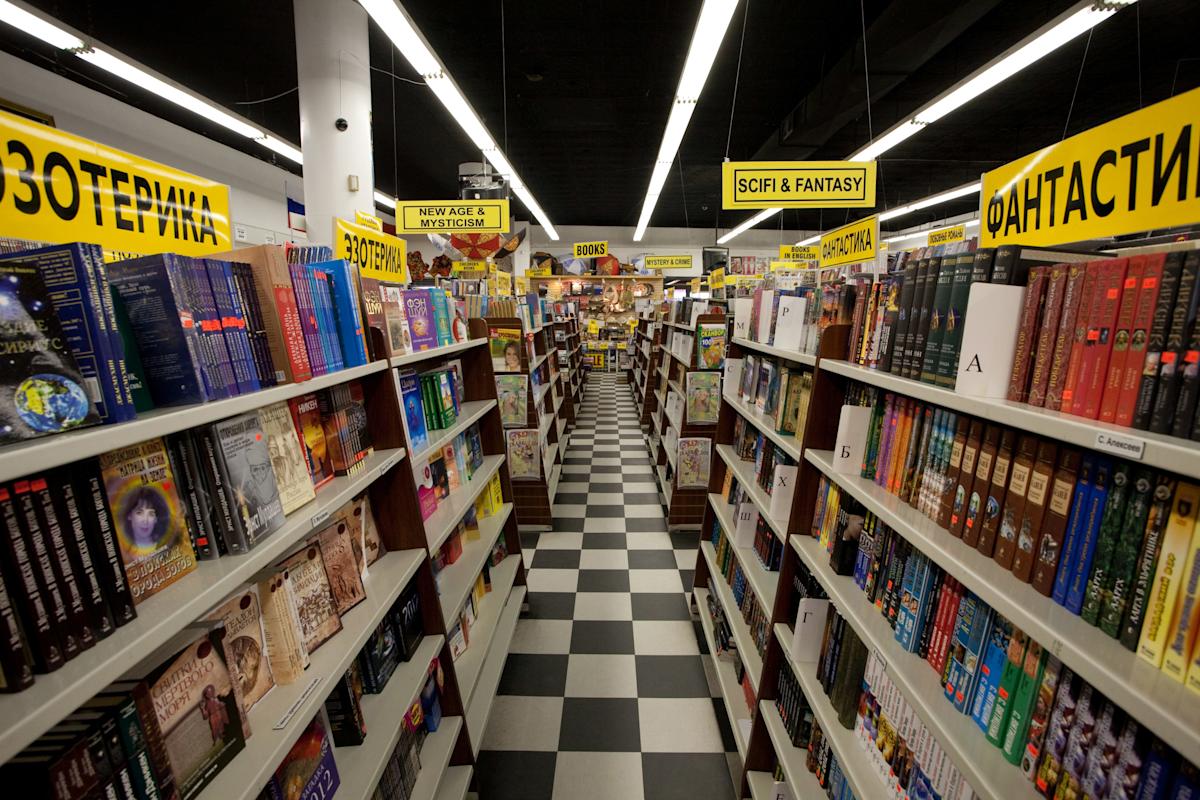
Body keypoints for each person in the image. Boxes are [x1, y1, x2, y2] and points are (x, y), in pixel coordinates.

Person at [123, 486, 170, 551]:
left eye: (151, 514)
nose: (145, 520)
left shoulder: (165, 547)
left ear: (156, 519)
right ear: (129, 515)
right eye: (139, 513)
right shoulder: (124, 551)